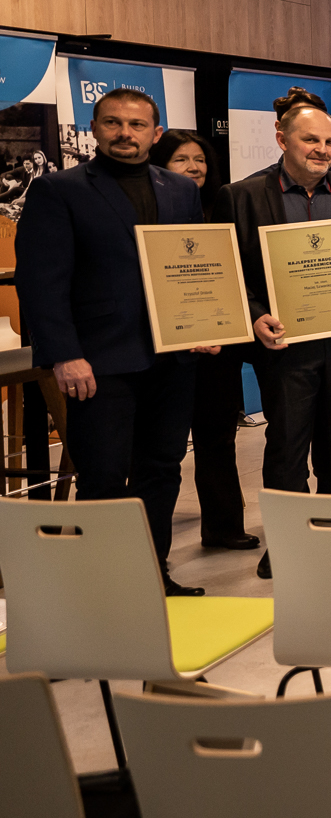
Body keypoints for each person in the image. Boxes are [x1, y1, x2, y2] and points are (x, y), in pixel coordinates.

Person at [20, 89, 213, 594]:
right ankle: (102, 590)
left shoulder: (180, 189)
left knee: (162, 469)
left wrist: (206, 325)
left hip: (172, 357)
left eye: (136, 124)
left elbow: (193, 266)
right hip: (98, 360)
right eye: (112, 123)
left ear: (155, 132)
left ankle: (151, 576)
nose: (124, 133)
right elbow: (41, 282)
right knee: (103, 477)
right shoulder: (59, 190)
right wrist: (64, 354)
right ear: (95, 128)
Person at [215, 102, 331, 581]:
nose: (322, 150)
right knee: (287, 445)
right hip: (286, 345)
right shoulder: (242, 195)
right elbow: (229, 270)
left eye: (329, 142)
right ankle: (289, 545)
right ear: (281, 138)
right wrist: (254, 315)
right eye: (311, 140)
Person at [149, 129, 256, 551]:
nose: (193, 167)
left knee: (217, 437)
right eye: (181, 159)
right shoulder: (152, 212)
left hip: (218, 345)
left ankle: (223, 526)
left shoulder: (223, 209)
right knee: (164, 447)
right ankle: (149, 542)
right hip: (166, 347)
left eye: (200, 159)